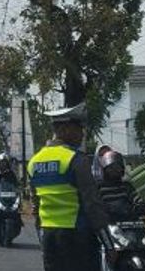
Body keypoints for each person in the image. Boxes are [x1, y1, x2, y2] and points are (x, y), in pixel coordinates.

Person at [28, 102, 114, 271]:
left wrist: (43, 238)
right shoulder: (76, 160)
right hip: (78, 236)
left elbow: (35, 207)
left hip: (50, 237)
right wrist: (108, 243)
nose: (82, 134)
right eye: (78, 128)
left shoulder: (34, 162)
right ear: (65, 129)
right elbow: (92, 204)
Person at [96, 148, 145, 221]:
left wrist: (141, 206)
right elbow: (94, 205)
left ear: (122, 169)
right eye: (111, 168)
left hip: (128, 222)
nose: (115, 170)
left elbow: (137, 199)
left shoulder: (126, 186)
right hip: (107, 224)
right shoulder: (99, 187)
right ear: (105, 170)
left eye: (118, 167)